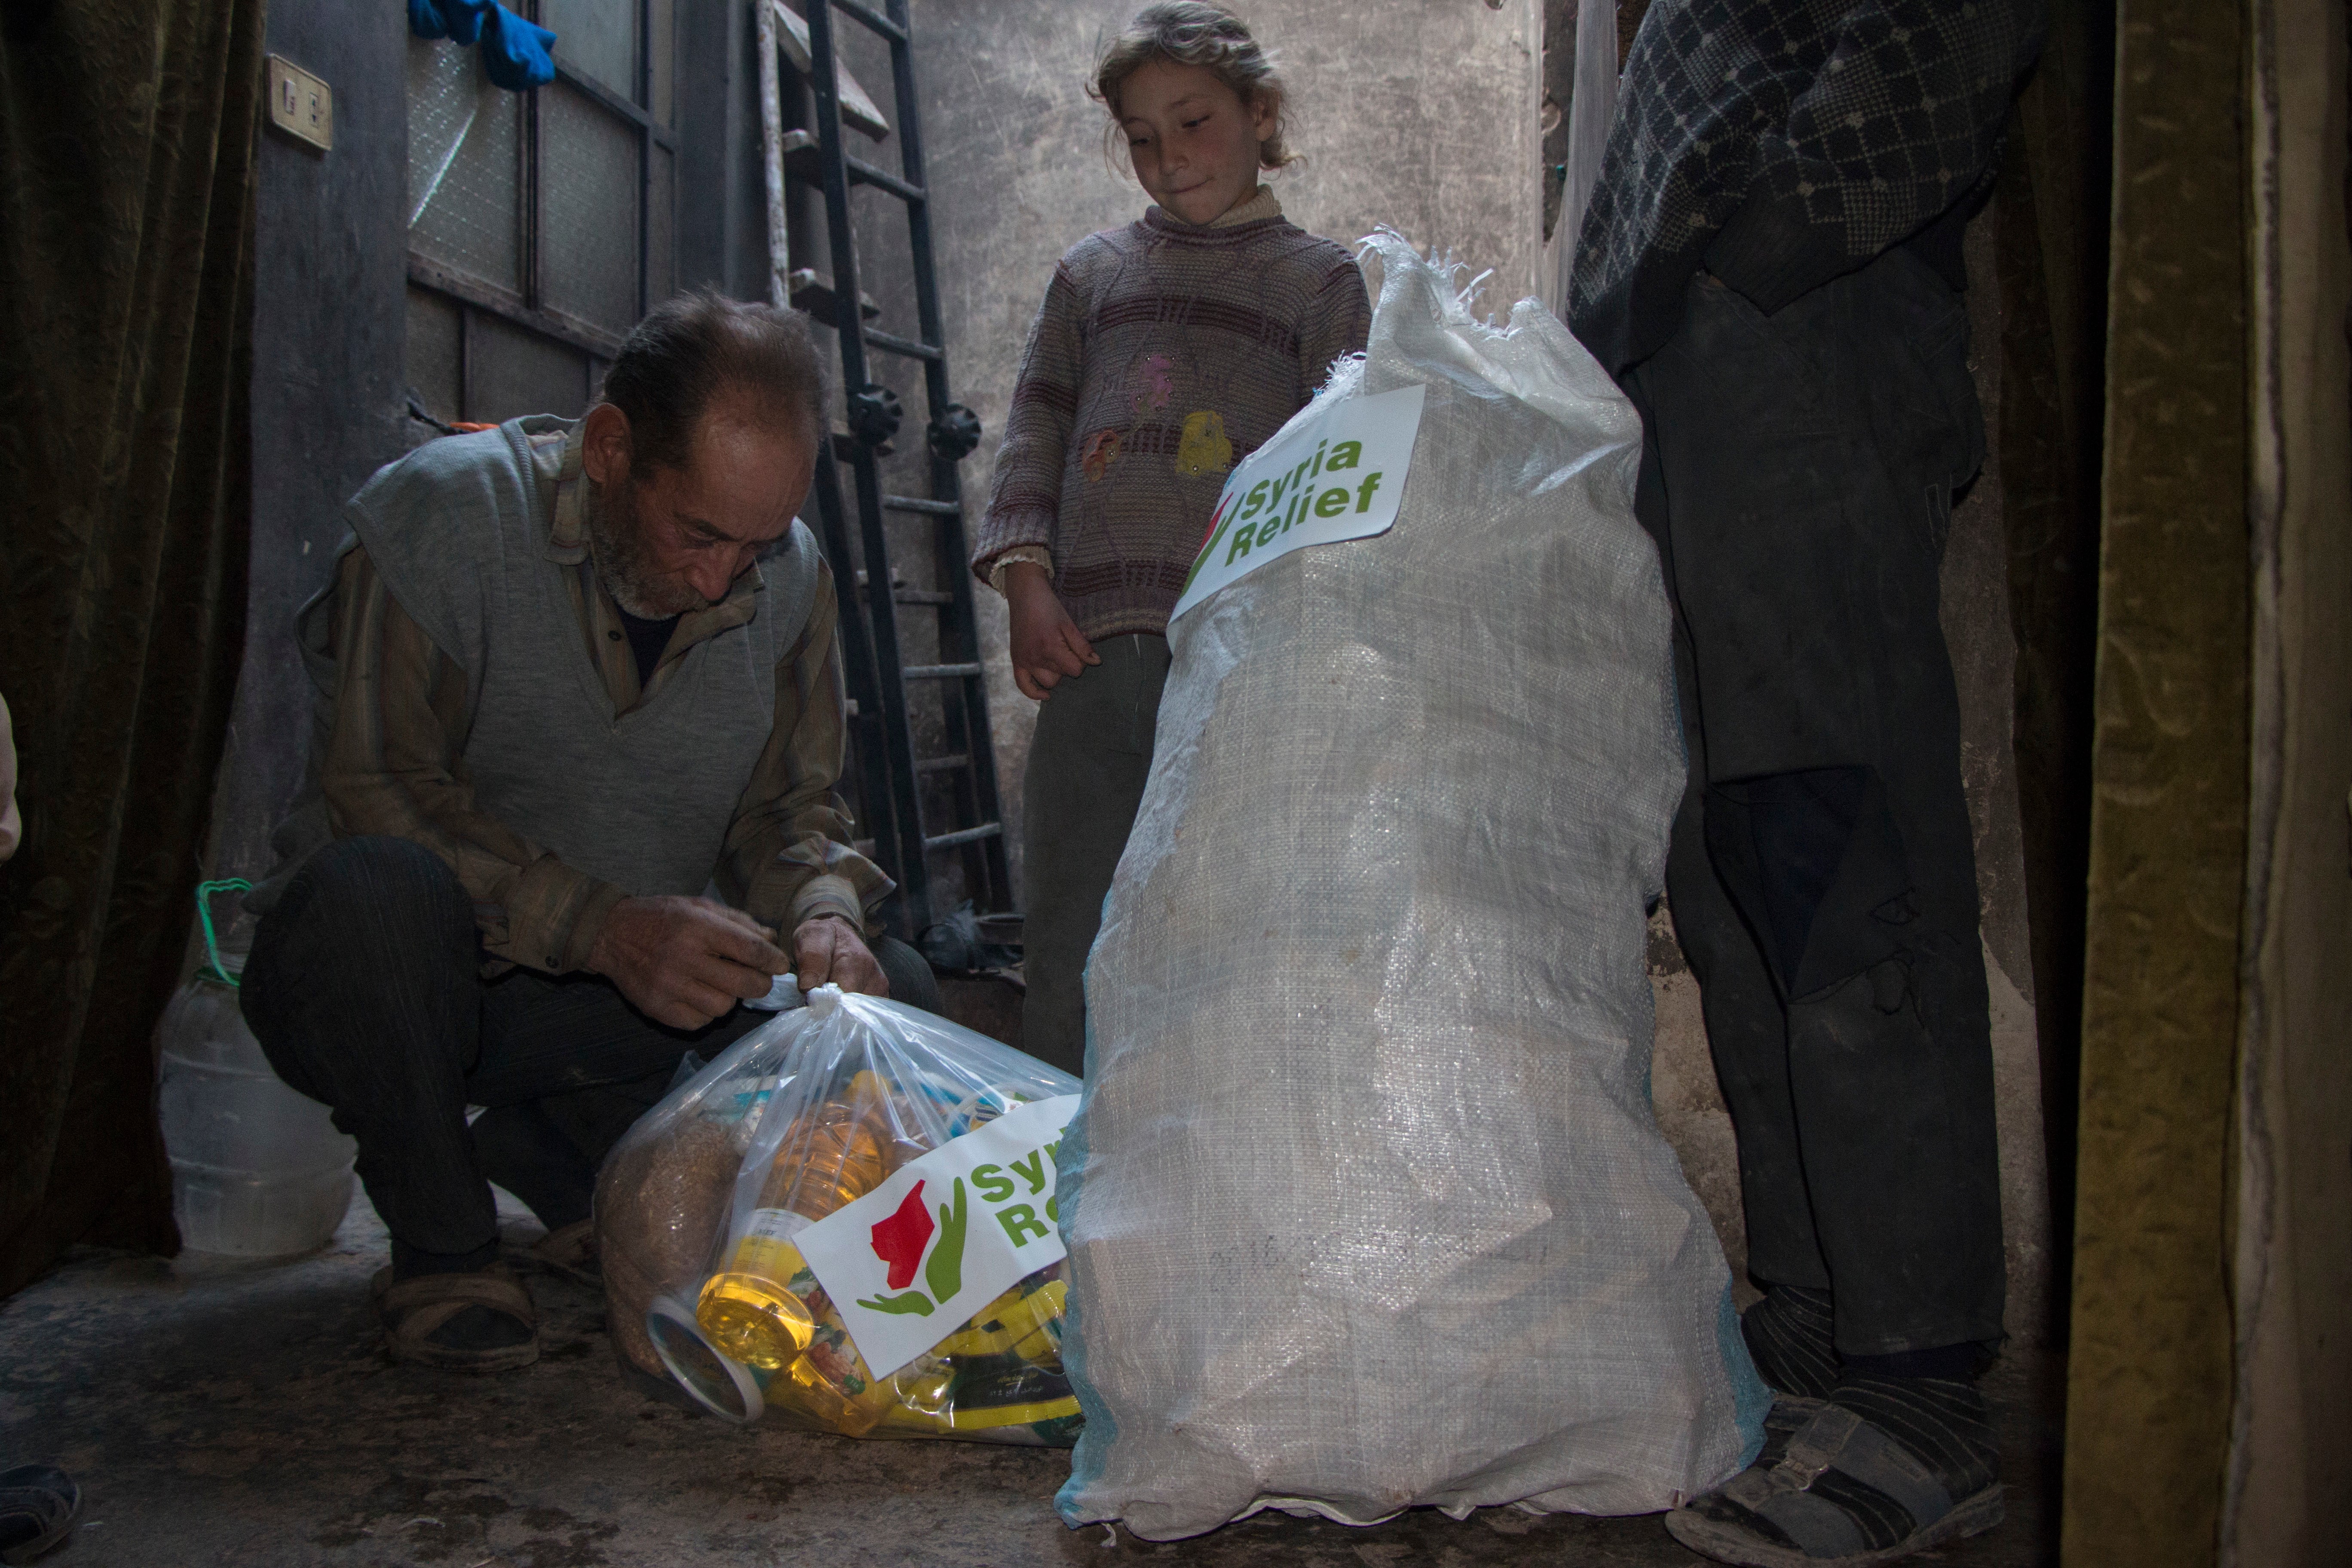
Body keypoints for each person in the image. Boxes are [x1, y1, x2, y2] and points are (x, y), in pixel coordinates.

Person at [241, 291, 936, 1372]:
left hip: (614, 1013)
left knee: (895, 992)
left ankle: (564, 1149)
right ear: (611, 449)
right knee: (372, 893)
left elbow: (791, 811)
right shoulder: (445, 520)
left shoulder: (787, 573)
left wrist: (823, 913)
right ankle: (441, 1241)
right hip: (412, 981)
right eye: (698, 532)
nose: (721, 578)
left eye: (753, 547)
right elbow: (377, 788)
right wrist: (606, 931)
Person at [1568, 1, 2046, 1563]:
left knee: (1835, 841)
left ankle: (1923, 1376)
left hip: (1804, 330)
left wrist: (1754, 248)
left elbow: (1946, 42)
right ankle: (1830, 1312)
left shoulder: (1785, 262)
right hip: (1691, 361)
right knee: (1733, 858)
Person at [972, 1, 1370, 1075]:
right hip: (1093, 655)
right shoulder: (1090, 277)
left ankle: (1200, 1187)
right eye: (1142, 138)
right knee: (1073, 935)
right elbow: (1035, 429)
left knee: (1226, 934)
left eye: (1193, 122)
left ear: (1260, 112)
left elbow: (1344, 472)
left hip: (1242, 671)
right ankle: (1061, 1180)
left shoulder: (1319, 282)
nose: (1168, 158)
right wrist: (1024, 582)